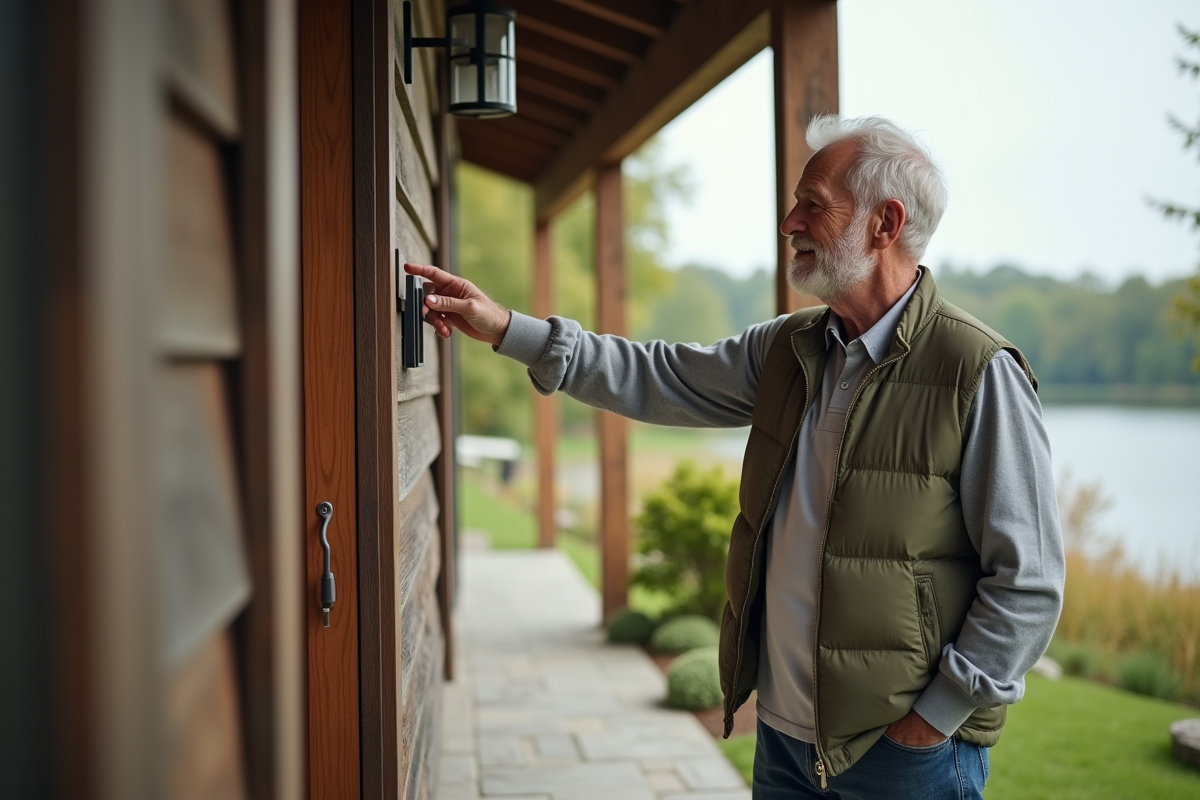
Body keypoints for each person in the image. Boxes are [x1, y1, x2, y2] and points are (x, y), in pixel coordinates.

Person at [407, 115, 1064, 800]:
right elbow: (658, 374)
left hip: (902, 756)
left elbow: (1030, 580)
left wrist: (933, 720)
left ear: (884, 223)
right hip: (783, 739)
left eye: (813, 204)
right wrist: (510, 330)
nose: (790, 222)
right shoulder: (789, 348)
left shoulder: (977, 370)